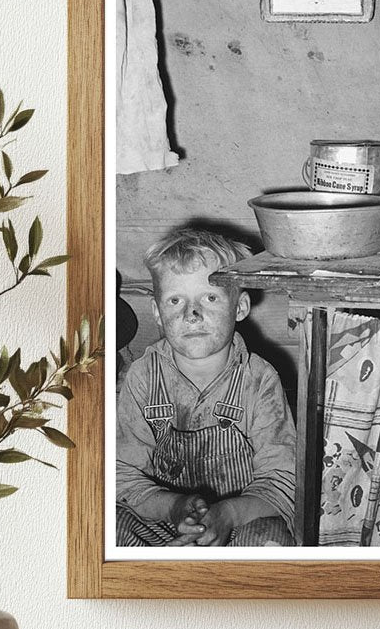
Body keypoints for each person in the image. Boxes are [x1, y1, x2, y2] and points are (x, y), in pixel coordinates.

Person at [116, 227, 296, 547]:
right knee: (109, 527)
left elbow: (283, 481)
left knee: (270, 540)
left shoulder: (259, 380)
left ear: (240, 307)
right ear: (157, 312)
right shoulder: (142, 376)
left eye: (210, 298)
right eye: (175, 300)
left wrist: (227, 514)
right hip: (163, 519)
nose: (192, 314)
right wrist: (174, 507)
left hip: (241, 520)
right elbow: (122, 475)